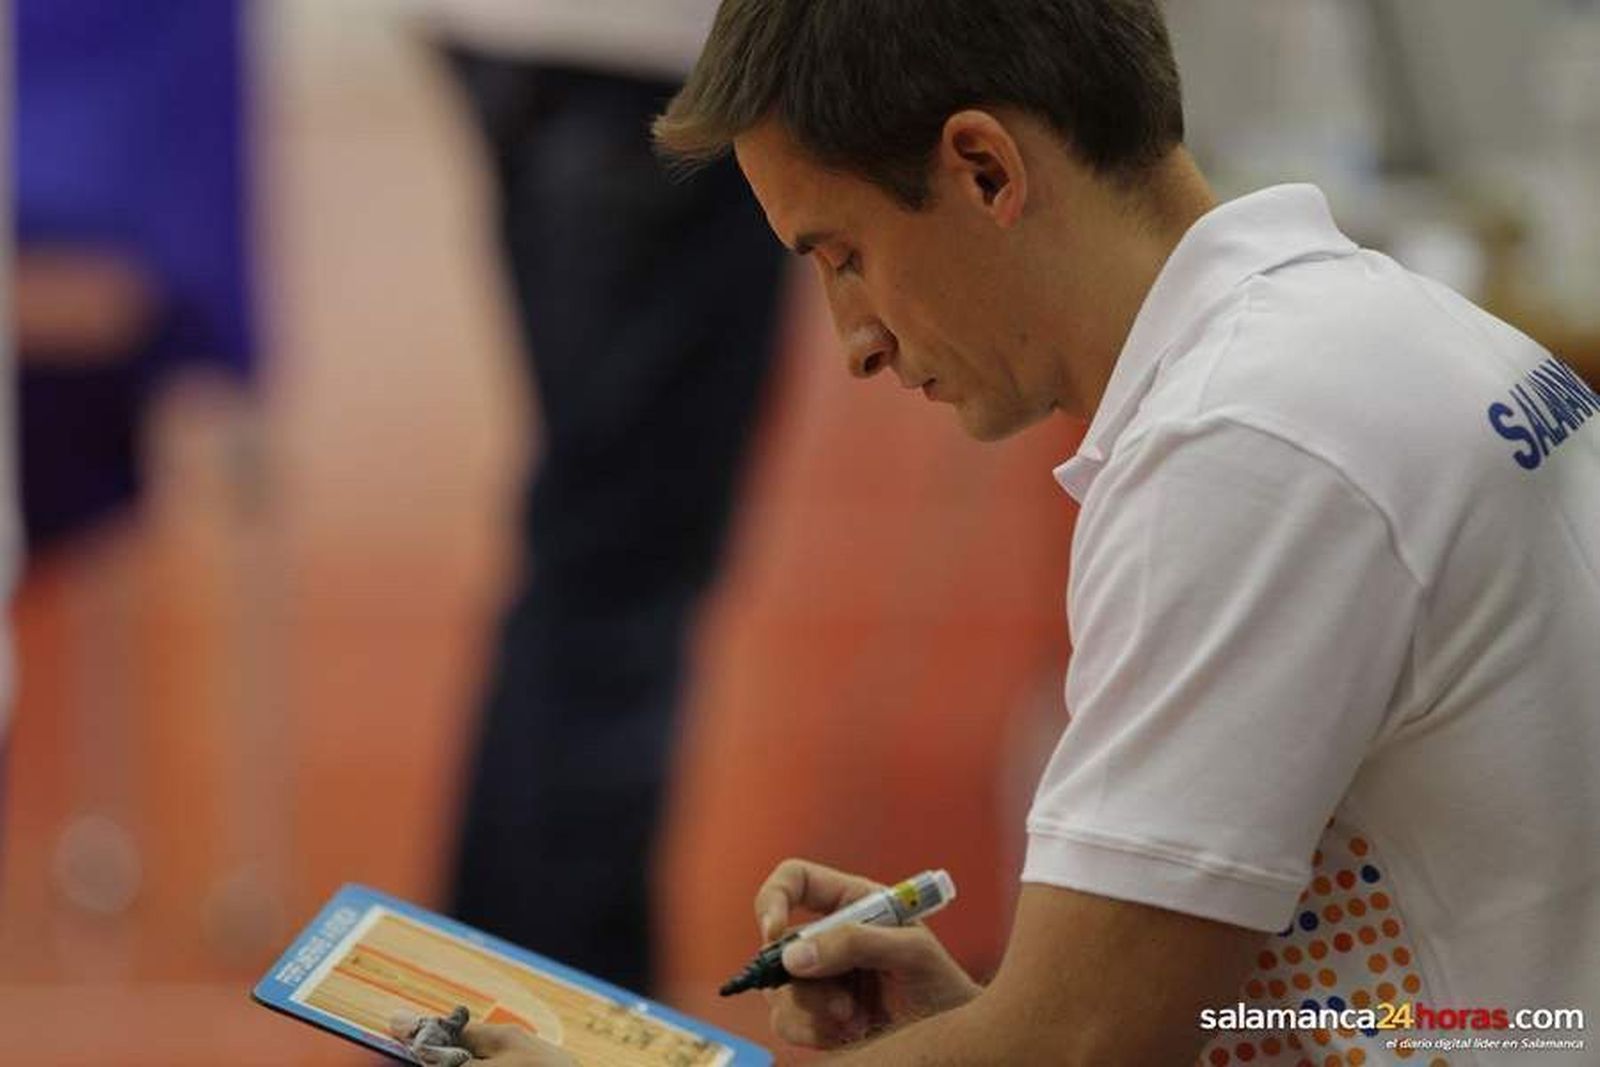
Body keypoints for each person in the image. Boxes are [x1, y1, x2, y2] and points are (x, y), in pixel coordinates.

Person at [439, 0, 1600, 1063]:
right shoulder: (1362, 336)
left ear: (985, 170)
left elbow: (1081, 1046)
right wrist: (982, 1023)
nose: (855, 341)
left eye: (843, 257)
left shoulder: (1242, 444)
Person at [420, 0, 786, 995]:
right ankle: (554, 1012)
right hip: (657, 65)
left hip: (530, 42)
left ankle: (483, 996)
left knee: (593, 542)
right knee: (618, 563)